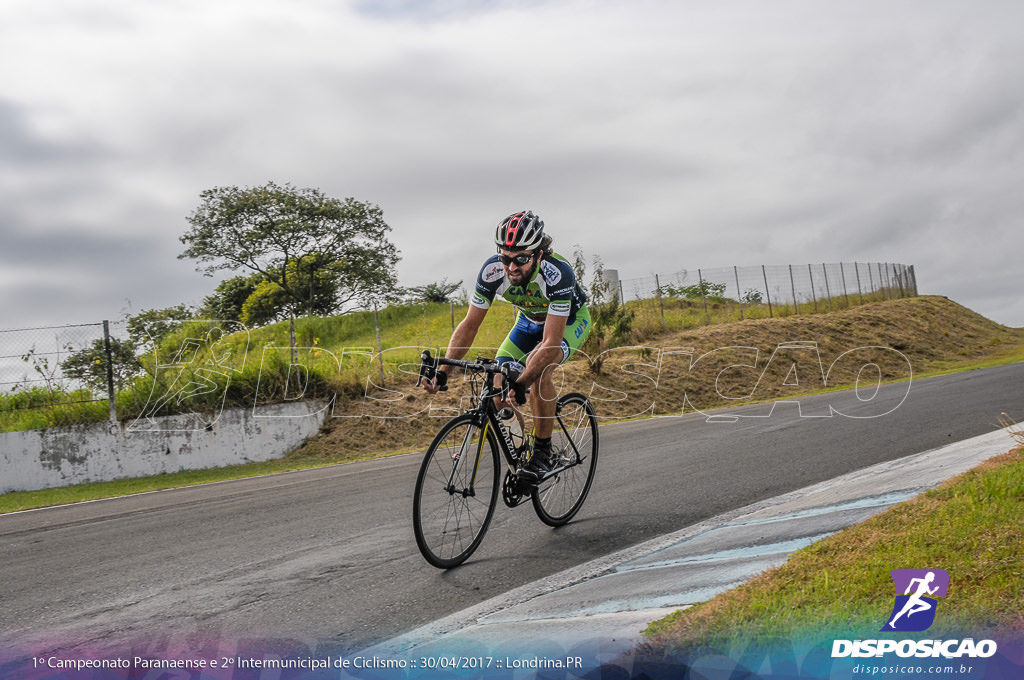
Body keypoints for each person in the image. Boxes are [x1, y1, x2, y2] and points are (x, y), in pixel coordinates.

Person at [422, 210, 591, 482]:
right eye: (505, 258)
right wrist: (443, 372)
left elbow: (550, 342)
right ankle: (521, 453)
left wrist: (522, 382)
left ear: (538, 254)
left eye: (521, 259)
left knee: (540, 370)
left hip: (568, 322)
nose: (511, 267)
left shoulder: (557, 274)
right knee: (497, 382)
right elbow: (469, 326)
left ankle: (542, 452)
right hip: (527, 322)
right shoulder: (491, 271)